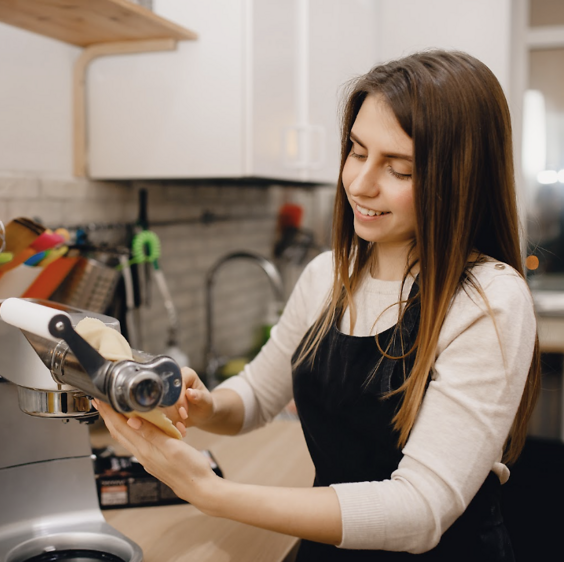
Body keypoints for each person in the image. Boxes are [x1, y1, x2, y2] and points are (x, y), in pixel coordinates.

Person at [94, 50, 541, 560]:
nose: (360, 183)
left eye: (398, 169)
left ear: (459, 179)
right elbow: (259, 395)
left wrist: (213, 493)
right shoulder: (327, 276)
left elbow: (421, 512)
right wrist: (205, 406)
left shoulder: (487, 298)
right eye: (356, 151)